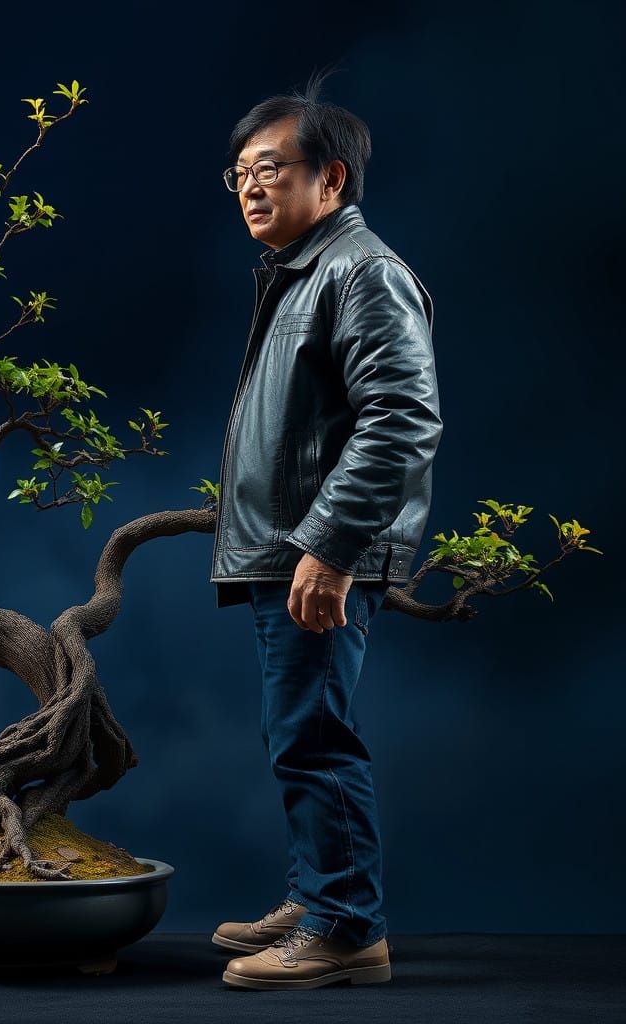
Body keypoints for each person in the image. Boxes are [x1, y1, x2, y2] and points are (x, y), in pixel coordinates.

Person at [207, 68, 443, 991]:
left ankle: (346, 929)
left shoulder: (361, 271)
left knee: (315, 735)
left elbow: (401, 417)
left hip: (316, 551)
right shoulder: (308, 273)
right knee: (299, 730)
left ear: (332, 179)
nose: (251, 187)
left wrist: (331, 548)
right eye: (238, 174)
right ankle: (320, 896)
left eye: (271, 168)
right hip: (292, 546)